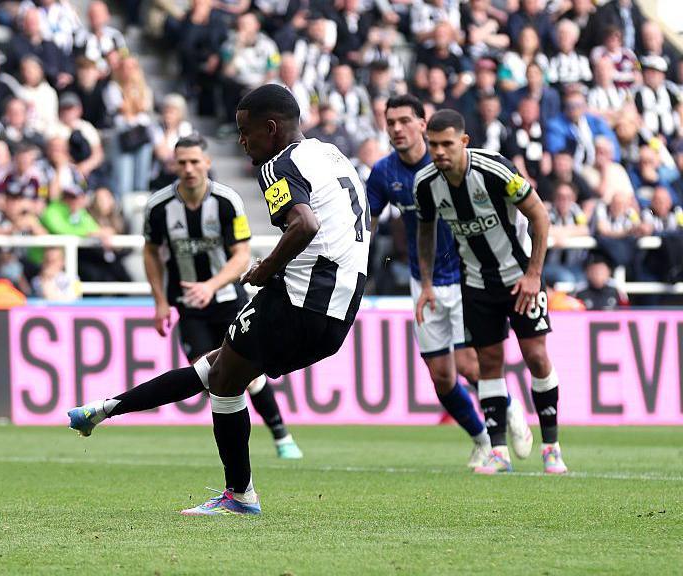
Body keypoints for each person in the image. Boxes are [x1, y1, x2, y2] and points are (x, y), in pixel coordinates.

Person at [68, 85, 370, 515]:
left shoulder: (278, 164)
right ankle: (105, 409)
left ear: (272, 128)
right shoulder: (332, 156)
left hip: (300, 295)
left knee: (225, 380)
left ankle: (239, 494)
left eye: (247, 133)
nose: (243, 142)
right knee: (219, 368)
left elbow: (303, 224)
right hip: (341, 309)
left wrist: (266, 269)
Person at [367, 95, 532, 469]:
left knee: (471, 367)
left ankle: (508, 410)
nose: (396, 128)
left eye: (405, 120)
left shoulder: (446, 161)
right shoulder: (383, 173)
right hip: (422, 282)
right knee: (441, 378)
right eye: (390, 122)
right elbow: (368, 222)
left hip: (464, 276)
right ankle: (481, 438)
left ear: (423, 125)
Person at [414, 109, 567, 475]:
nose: (439, 152)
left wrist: (534, 273)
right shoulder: (426, 183)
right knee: (489, 363)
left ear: (463, 142)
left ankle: (552, 446)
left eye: (447, 144)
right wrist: (427, 284)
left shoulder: (494, 170)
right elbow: (425, 232)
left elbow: (540, 216)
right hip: (477, 283)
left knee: (535, 356)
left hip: (519, 278)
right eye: (433, 144)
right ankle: (498, 452)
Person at [143, 134, 303, 459]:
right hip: (189, 306)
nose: (188, 168)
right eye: (182, 162)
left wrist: (211, 285)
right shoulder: (158, 206)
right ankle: (253, 445)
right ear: (174, 164)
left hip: (230, 301)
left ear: (207, 163)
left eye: (194, 161)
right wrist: (160, 301)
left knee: (244, 371)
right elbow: (150, 252)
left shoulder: (227, 200)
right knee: (209, 373)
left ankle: (281, 435)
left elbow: (241, 256)